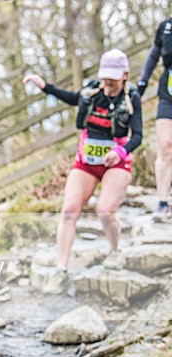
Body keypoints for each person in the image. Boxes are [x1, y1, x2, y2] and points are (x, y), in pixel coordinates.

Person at [23, 49, 142, 286]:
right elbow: (71, 97)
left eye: (113, 79)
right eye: (105, 77)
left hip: (116, 162)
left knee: (105, 210)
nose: (108, 83)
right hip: (86, 163)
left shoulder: (132, 98)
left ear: (125, 75)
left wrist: (119, 151)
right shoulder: (93, 91)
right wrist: (45, 86)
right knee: (69, 211)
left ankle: (115, 251)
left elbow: (137, 135)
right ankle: (61, 270)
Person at [138, 17, 172, 222]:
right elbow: (153, 56)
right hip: (168, 92)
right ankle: (162, 202)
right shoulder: (166, 26)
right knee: (166, 146)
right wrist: (142, 83)